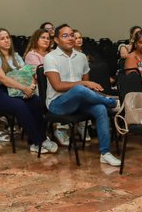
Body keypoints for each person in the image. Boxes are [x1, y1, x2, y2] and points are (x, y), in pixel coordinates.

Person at [44, 24, 122, 167]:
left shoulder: (81, 57)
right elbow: (58, 86)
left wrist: (84, 85)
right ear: (56, 40)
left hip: (79, 101)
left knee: (100, 109)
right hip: (58, 103)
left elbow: (86, 87)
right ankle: (113, 103)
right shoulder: (50, 57)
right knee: (79, 88)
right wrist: (83, 84)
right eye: (65, 36)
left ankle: (105, 153)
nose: (70, 38)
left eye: (71, 35)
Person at [0, 27, 55, 154]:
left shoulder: (16, 56)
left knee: (36, 102)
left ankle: (39, 138)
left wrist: (31, 87)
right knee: (20, 105)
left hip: (15, 89)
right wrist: (24, 89)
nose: (6, 40)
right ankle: (38, 141)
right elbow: (3, 79)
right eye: (2, 38)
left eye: (8, 37)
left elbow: (28, 73)